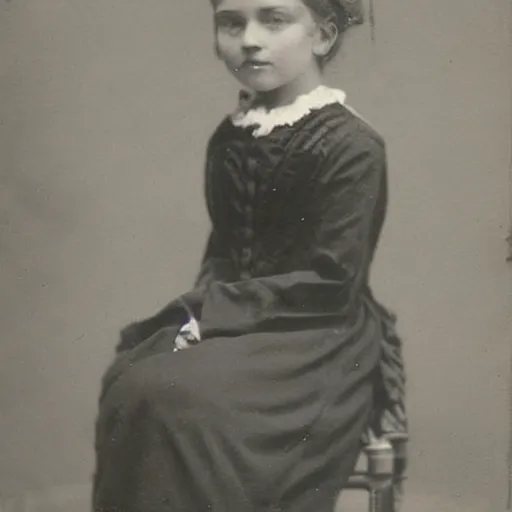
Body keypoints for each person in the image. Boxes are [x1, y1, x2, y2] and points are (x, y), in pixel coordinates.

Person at [92, 0, 408, 511]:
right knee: (133, 378)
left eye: (274, 19)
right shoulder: (228, 139)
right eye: (231, 22)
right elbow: (223, 252)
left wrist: (214, 317)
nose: (250, 39)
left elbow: (331, 282)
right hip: (243, 326)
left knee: (179, 399)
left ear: (323, 36)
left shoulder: (352, 144)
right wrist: (197, 318)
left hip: (320, 336)